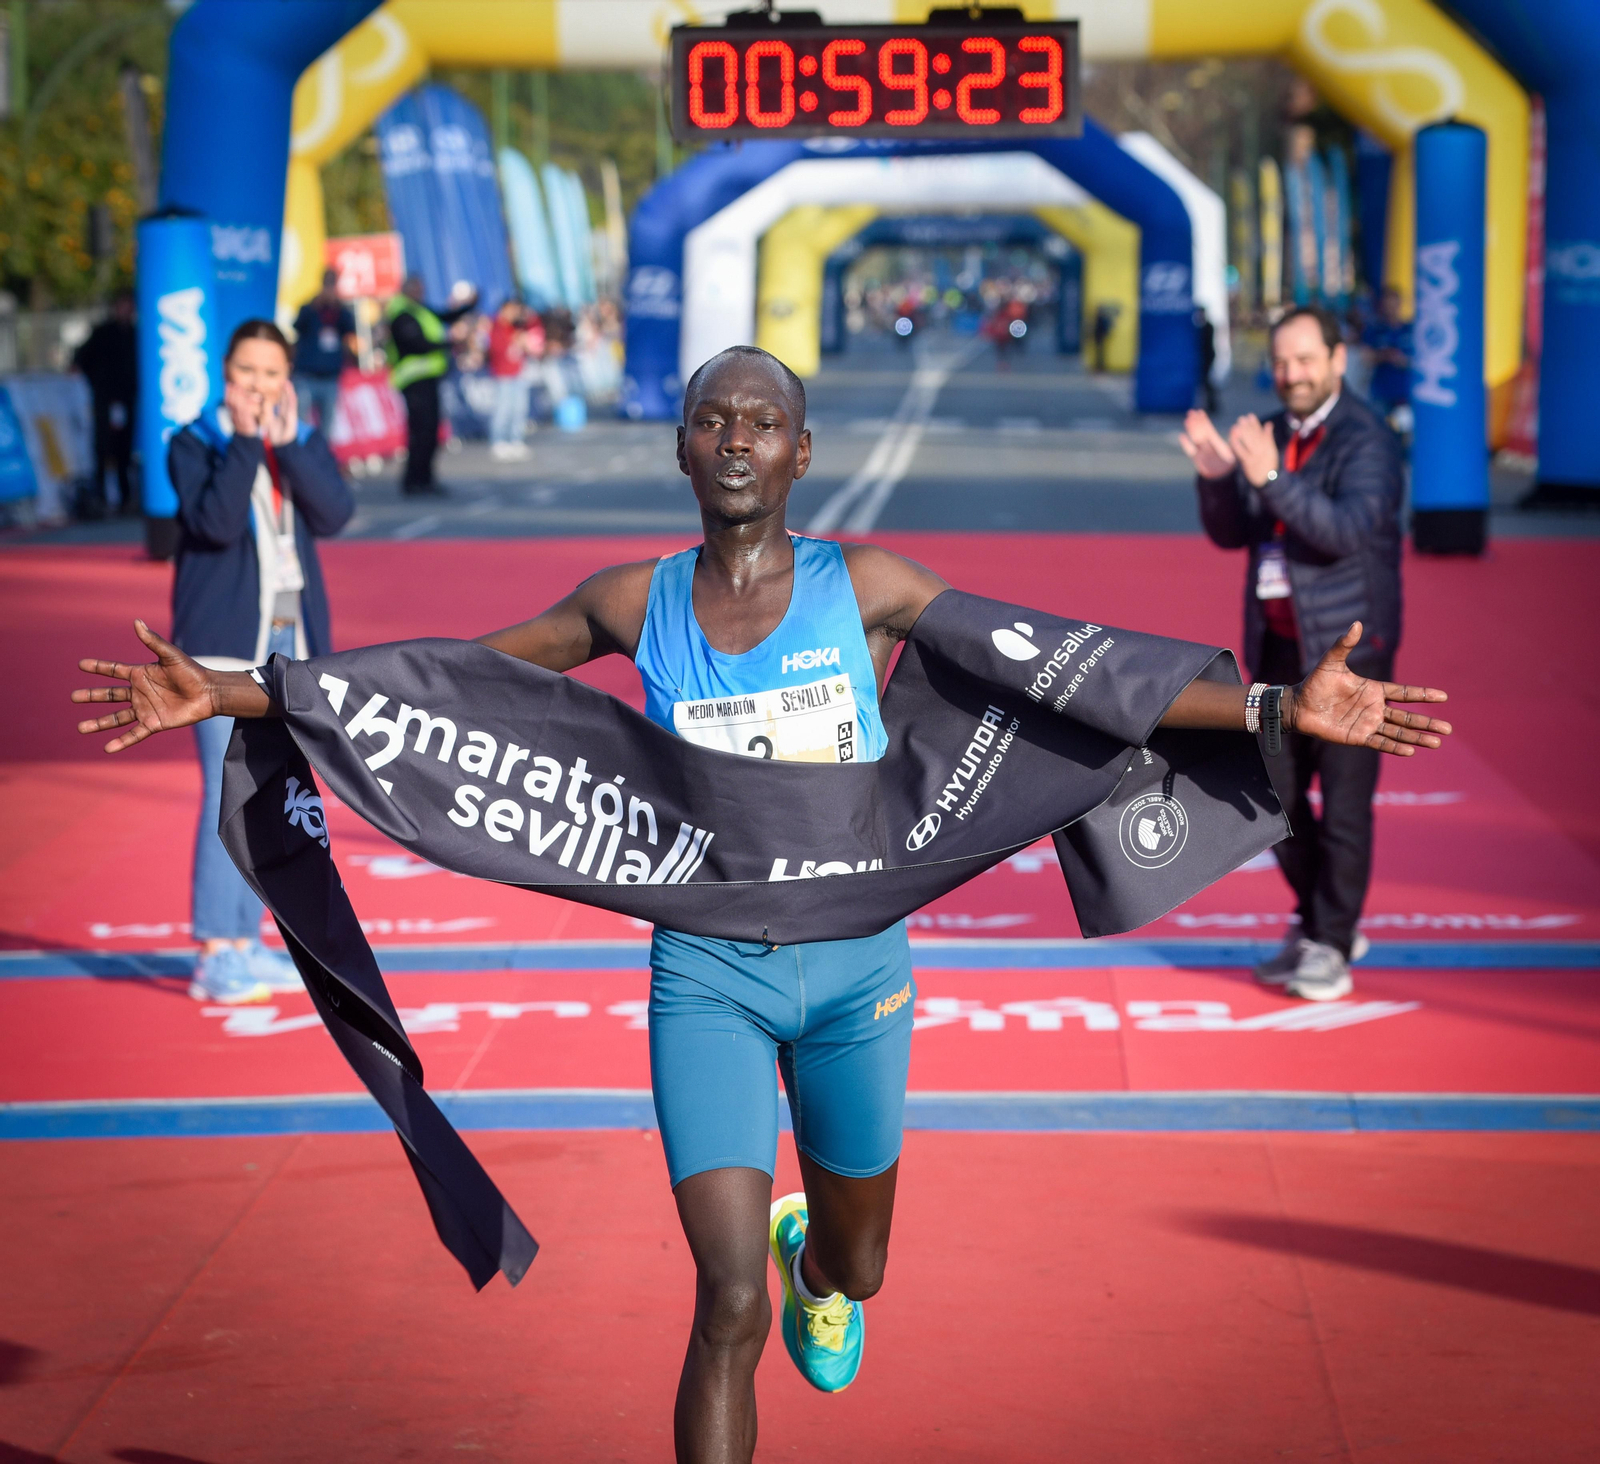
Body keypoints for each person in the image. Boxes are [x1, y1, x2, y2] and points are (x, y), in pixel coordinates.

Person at [73, 346, 1449, 1462]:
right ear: (681, 451)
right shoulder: (630, 600)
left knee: (859, 1270)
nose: (736, 434)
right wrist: (246, 687)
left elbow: (1061, 670)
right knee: (719, 1301)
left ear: (799, 455)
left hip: (861, 979)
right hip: (708, 979)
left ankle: (823, 1266)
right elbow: (446, 685)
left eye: (764, 419)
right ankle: (765, 1280)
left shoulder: (871, 589)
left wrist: (1278, 703)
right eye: (711, 417)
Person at [1180, 304, 1406, 1002]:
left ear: (1339, 360)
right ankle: (1322, 923)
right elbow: (1236, 533)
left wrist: (1273, 478)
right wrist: (1222, 477)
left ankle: (1331, 942)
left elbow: (1345, 531)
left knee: (1341, 807)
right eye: (1281, 361)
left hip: (1348, 655)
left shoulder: (1368, 439)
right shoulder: (1273, 433)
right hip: (1278, 650)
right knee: (1267, 800)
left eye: (1305, 360)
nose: (1291, 374)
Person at [165, 318, 354, 1004]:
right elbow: (213, 523)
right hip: (219, 653)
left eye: (272, 374)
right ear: (226, 374)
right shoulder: (193, 442)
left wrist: (289, 446)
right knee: (226, 798)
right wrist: (246, 440)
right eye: (247, 372)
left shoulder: (294, 440)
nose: (259, 386)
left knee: (270, 797)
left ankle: (247, 941)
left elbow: (336, 513)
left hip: (289, 648)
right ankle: (216, 951)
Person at [386, 274, 478, 496]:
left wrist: (468, 306)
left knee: (430, 432)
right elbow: (417, 343)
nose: (421, 293)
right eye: (417, 289)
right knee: (420, 432)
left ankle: (425, 479)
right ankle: (414, 481)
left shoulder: (420, 310)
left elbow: (446, 316)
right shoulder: (402, 314)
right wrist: (449, 343)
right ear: (407, 290)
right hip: (414, 381)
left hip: (428, 379)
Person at [72, 288, 138, 517]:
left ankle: (125, 497)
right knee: (102, 447)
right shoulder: (102, 333)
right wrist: (98, 384)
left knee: (124, 450)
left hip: (128, 400)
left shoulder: (135, 334)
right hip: (105, 400)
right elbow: (81, 359)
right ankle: (100, 497)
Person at [291, 268, 358, 436]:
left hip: (330, 378)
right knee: (300, 424)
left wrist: (338, 306)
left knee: (327, 429)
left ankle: (321, 459)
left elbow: (350, 330)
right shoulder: (310, 307)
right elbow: (297, 326)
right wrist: (316, 305)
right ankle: (299, 459)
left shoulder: (341, 311)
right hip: (306, 377)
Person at [486, 298, 538, 460]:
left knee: (519, 410)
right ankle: (499, 440)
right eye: (512, 310)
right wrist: (514, 342)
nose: (514, 313)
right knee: (503, 409)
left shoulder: (517, 327)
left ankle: (515, 439)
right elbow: (495, 349)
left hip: (518, 373)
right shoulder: (496, 326)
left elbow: (532, 330)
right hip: (503, 375)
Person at [1362, 284, 1413, 432]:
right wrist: (1384, 356)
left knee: (1405, 431)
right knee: (1380, 431)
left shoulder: (1409, 330)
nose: (1391, 307)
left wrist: (1402, 360)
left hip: (1404, 392)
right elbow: (1366, 358)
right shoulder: (1375, 330)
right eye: (1387, 303)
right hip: (1381, 391)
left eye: (1393, 303)